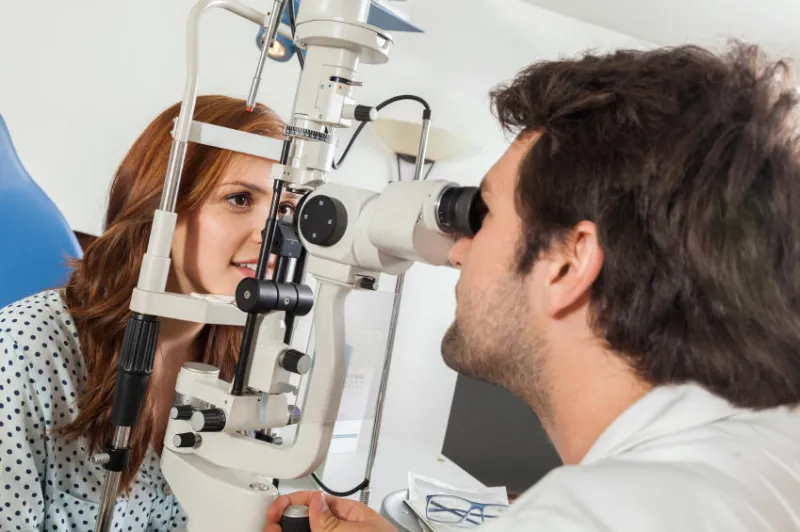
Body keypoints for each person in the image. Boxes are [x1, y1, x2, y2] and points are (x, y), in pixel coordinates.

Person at [266, 42, 800, 531]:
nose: (457, 252)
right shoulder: (772, 445)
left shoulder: (573, 517)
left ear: (567, 264)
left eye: (486, 215)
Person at [0, 95, 298, 531]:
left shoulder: (247, 361)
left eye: (284, 209)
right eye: (239, 199)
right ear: (162, 207)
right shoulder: (26, 347)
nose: (269, 234)